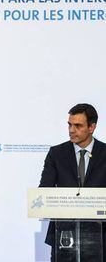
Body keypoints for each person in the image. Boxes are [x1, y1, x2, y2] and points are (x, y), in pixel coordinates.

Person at [39, 103, 106, 261]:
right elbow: (44, 191)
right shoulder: (56, 153)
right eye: (69, 125)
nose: (71, 130)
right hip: (64, 237)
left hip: (101, 238)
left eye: (78, 125)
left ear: (92, 127)